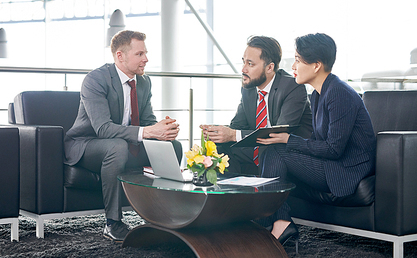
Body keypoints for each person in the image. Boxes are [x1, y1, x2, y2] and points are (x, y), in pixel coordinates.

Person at [258, 33, 376, 245]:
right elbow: (318, 141)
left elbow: (333, 149)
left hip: (345, 171)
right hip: (331, 164)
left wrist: (288, 140)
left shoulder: (339, 93)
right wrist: (288, 141)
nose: (293, 66)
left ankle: (278, 224)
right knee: (272, 149)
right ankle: (276, 222)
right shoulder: (319, 93)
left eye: (298, 59)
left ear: (316, 65)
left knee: (277, 150)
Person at [64, 30, 182, 242]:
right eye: (139, 54)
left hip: (124, 144)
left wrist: (162, 130)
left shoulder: (144, 82)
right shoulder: (95, 80)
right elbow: (103, 129)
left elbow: (146, 121)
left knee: (173, 147)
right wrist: (148, 131)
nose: (146, 58)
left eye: (145, 53)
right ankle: (113, 223)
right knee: (116, 146)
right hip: (87, 145)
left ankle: (165, 216)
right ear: (120, 56)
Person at [200, 35, 312, 175]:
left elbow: (279, 134)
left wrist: (233, 134)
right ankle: (233, 191)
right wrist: (217, 132)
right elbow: (237, 126)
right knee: (219, 146)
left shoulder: (292, 87)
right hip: (257, 149)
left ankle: (262, 194)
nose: (243, 69)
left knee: (271, 149)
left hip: (285, 152)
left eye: (250, 64)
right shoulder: (249, 88)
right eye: (243, 62)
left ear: (270, 67)